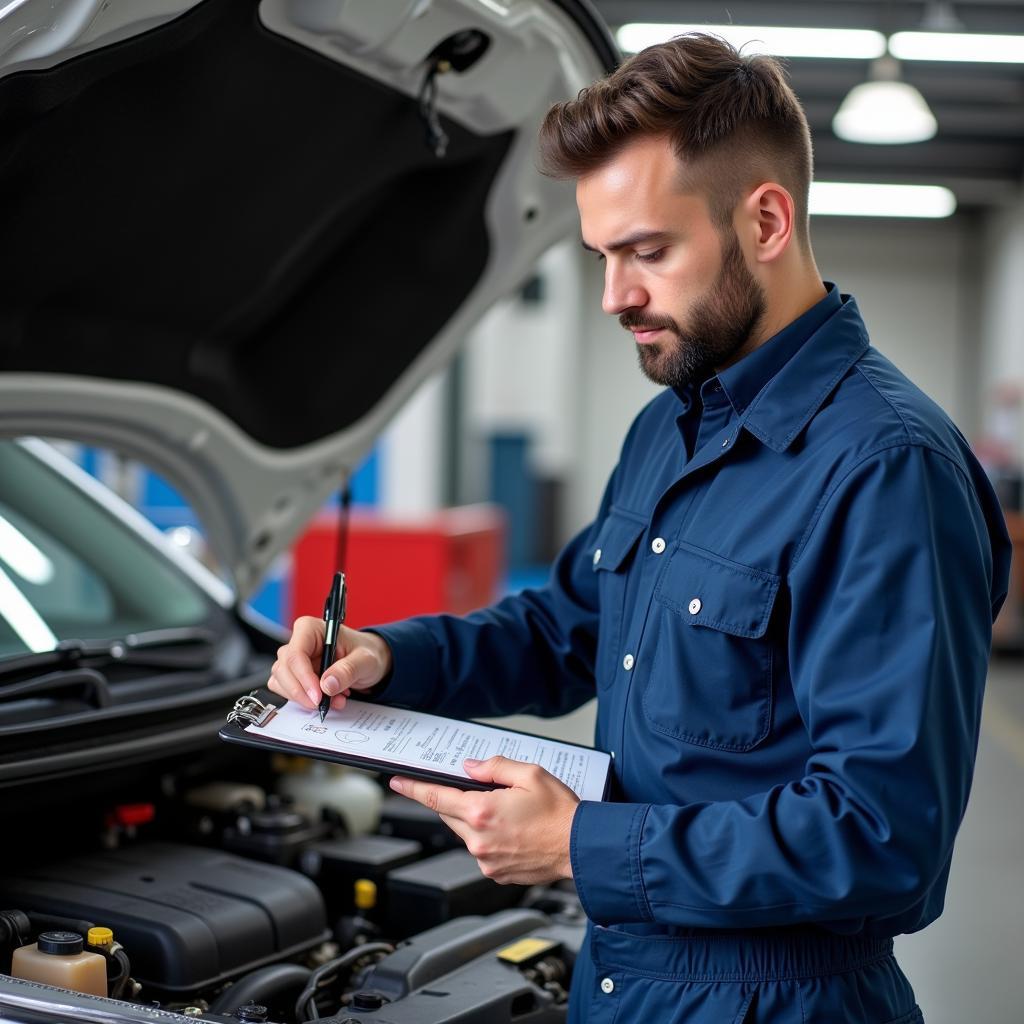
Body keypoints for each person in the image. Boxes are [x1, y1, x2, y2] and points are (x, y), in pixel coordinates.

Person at [268, 34, 1012, 1023]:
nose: (616, 294)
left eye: (647, 252)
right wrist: (386, 659)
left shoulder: (886, 466)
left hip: (780, 1003)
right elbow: (568, 628)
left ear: (766, 219)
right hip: (622, 979)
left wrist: (580, 847)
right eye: (602, 256)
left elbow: (881, 834)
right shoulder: (668, 424)